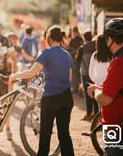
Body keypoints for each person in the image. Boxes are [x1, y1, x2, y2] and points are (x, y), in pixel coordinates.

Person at [9, 25, 74, 156]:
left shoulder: (46, 53)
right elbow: (70, 77)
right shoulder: (67, 55)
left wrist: (14, 76)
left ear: (48, 38)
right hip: (66, 97)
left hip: (50, 98)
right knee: (64, 134)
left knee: (45, 135)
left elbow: (32, 73)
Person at [88, 18, 123, 155]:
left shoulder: (120, 62)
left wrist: (96, 91)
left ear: (110, 39)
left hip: (117, 127)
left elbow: (106, 99)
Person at [76, 31, 98, 121]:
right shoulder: (95, 46)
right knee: (95, 93)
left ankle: (89, 113)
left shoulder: (81, 48)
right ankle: (96, 113)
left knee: (87, 93)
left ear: (84, 38)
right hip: (95, 74)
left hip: (85, 73)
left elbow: (77, 61)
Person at [68, 26, 83, 94]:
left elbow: (69, 50)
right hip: (81, 60)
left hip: (74, 60)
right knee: (79, 75)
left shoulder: (72, 40)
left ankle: (75, 89)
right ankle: (80, 89)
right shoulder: (81, 39)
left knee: (74, 75)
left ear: (74, 32)